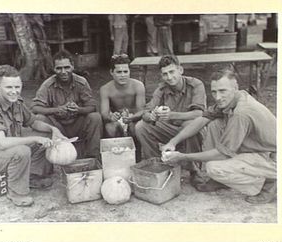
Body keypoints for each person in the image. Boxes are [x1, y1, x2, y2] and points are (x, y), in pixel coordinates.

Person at [161, 69, 277, 204]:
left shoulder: (241, 113)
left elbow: (222, 154)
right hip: (259, 148)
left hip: (272, 155)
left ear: (235, 88)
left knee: (214, 168)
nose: (217, 97)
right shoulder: (235, 98)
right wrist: (173, 141)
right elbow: (203, 119)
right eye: (214, 92)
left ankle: (271, 182)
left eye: (222, 91)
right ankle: (222, 181)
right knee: (214, 124)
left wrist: (183, 156)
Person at [0, 65, 66, 207]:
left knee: (45, 133)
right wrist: (35, 139)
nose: (14, 92)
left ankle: (31, 177)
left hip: (4, 151)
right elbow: (1, 143)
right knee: (21, 150)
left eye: (17, 87)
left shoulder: (16, 103)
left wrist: (53, 129)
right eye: (9, 87)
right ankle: (16, 193)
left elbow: (33, 122)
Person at [135, 55, 206, 173]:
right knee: (141, 126)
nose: (169, 77)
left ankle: (195, 171)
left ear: (180, 70)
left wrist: (172, 115)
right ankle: (158, 165)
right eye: (165, 74)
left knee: (190, 124)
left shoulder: (196, 85)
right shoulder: (161, 89)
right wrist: (151, 116)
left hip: (192, 131)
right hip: (171, 129)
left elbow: (199, 114)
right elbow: (146, 112)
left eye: (172, 72)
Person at [31, 50, 102, 159]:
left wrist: (78, 109)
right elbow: (35, 108)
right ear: (54, 69)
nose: (63, 71)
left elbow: (92, 107)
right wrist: (56, 109)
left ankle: (93, 158)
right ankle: (42, 165)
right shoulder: (48, 85)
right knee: (39, 119)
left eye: (66, 67)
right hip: (58, 126)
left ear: (72, 66)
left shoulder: (81, 82)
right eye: (59, 68)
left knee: (95, 117)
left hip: (77, 125)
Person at [100, 54, 145, 161]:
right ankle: (115, 159)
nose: (123, 75)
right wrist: (111, 116)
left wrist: (132, 118)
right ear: (112, 72)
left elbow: (142, 110)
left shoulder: (138, 85)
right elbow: (104, 113)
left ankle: (136, 159)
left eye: (125, 71)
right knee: (110, 128)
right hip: (117, 118)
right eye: (119, 72)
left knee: (135, 128)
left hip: (134, 117)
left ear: (130, 72)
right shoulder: (105, 89)